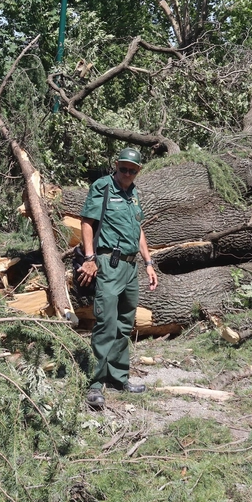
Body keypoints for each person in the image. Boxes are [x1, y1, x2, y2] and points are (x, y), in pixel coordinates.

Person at [76, 147, 159, 409]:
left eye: (132, 170)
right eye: (123, 168)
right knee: (106, 323)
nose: (126, 173)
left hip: (131, 267)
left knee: (125, 323)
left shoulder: (134, 193)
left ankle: (118, 377)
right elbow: (87, 223)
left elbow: (139, 230)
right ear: (116, 165)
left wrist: (148, 263)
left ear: (138, 172)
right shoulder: (103, 186)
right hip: (108, 263)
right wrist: (90, 259)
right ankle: (95, 383)